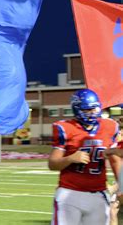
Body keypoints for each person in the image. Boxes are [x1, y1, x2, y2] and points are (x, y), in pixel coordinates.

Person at [48, 89, 121, 225]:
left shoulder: (110, 126)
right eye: (87, 110)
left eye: (94, 109)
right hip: (70, 195)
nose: (92, 113)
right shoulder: (65, 127)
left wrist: (121, 186)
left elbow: (115, 159)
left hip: (98, 194)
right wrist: (70, 158)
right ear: (77, 109)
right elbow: (52, 164)